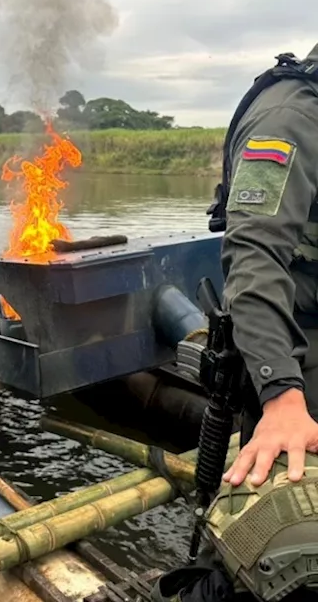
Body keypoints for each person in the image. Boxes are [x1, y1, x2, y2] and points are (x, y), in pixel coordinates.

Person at [153, 45, 318, 601]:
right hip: (295, 353)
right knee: (282, 539)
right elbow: (253, 256)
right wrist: (281, 396)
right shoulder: (289, 119)